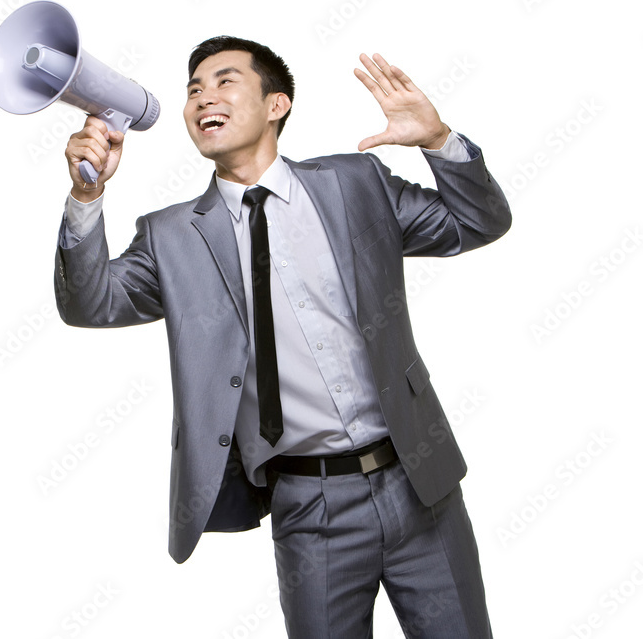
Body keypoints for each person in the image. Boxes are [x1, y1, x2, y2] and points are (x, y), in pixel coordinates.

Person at [54, 36, 510, 637]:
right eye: (193, 89)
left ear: (277, 105)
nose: (201, 97)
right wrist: (88, 196)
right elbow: (90, 303)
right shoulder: (171, 238)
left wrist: (438, 140)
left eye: (223, 81)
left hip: (418, 479)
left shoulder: (356, 184)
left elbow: (478, 222)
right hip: (307, 504)